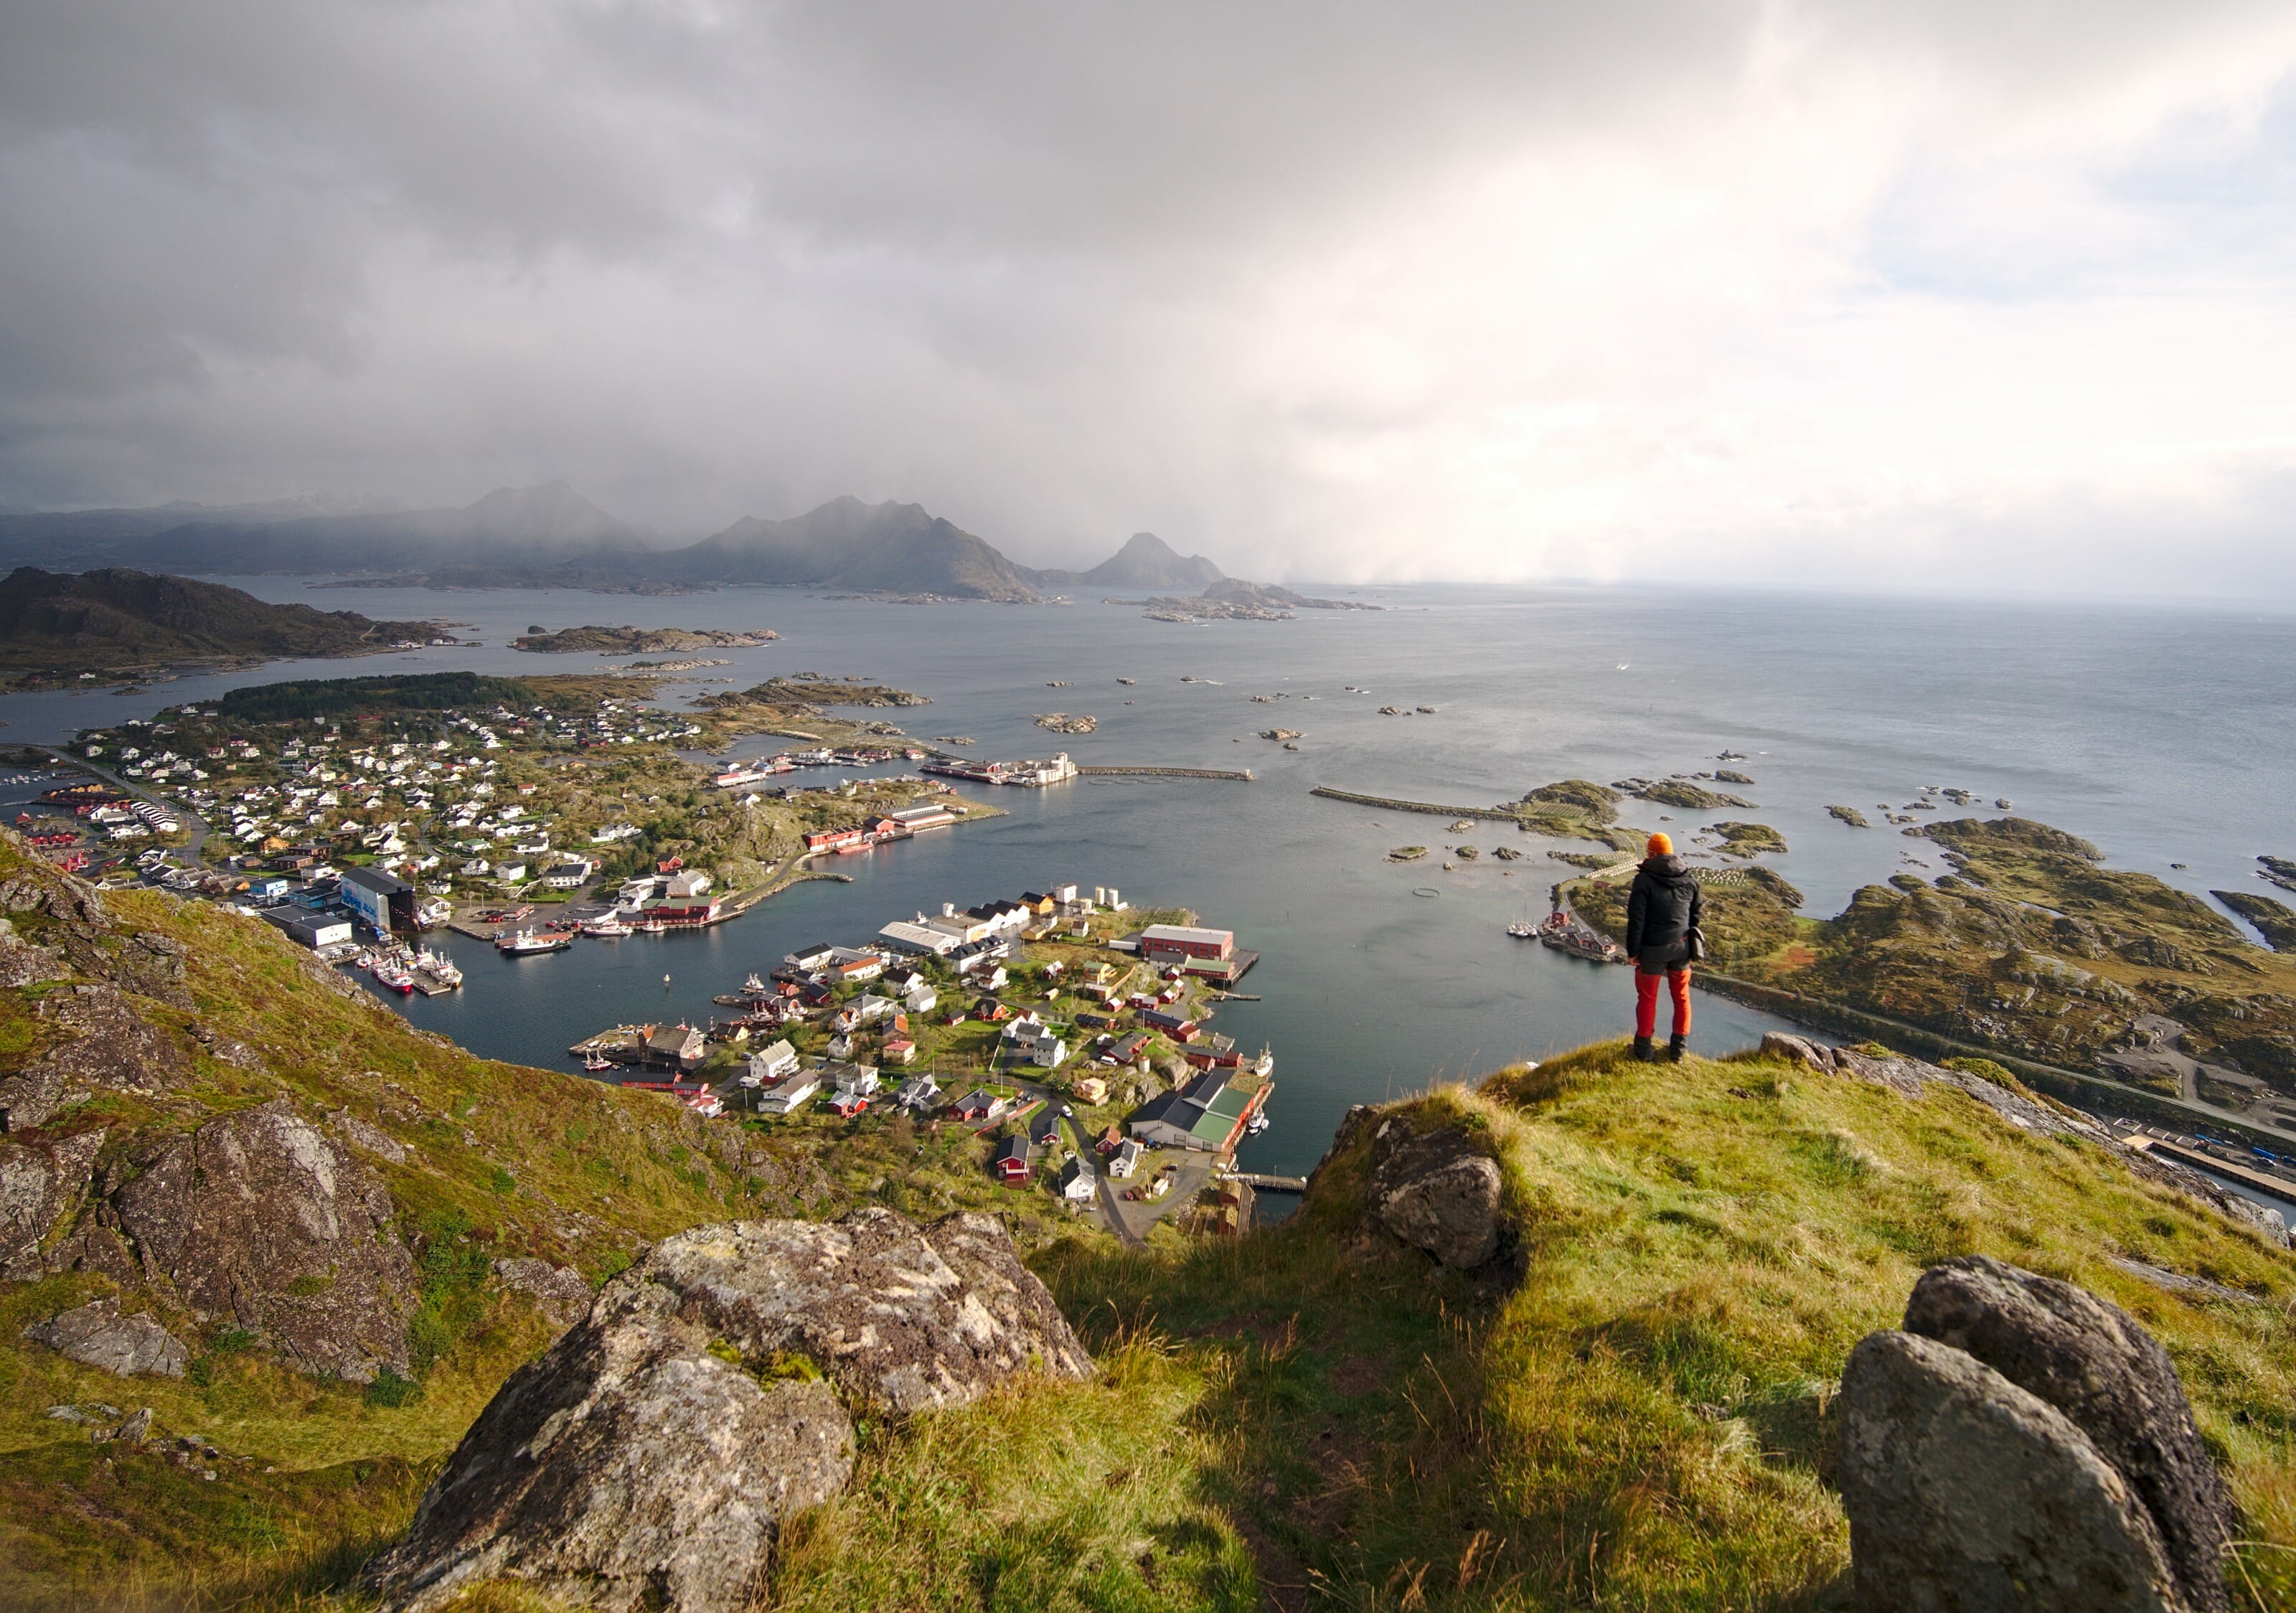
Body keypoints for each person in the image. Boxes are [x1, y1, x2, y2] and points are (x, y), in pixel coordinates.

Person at [1623, 831, 1702, 1062]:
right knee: (1682, 997)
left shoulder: (1644, 880)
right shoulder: (1689, 879)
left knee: (1648, 998)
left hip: (1652, 949)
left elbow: (1636, 919)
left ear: (1651, 853)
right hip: (1682, 946)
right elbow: (1696, 915)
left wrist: (1633, 952)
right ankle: (1678, 1051)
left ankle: (1643, 1051)